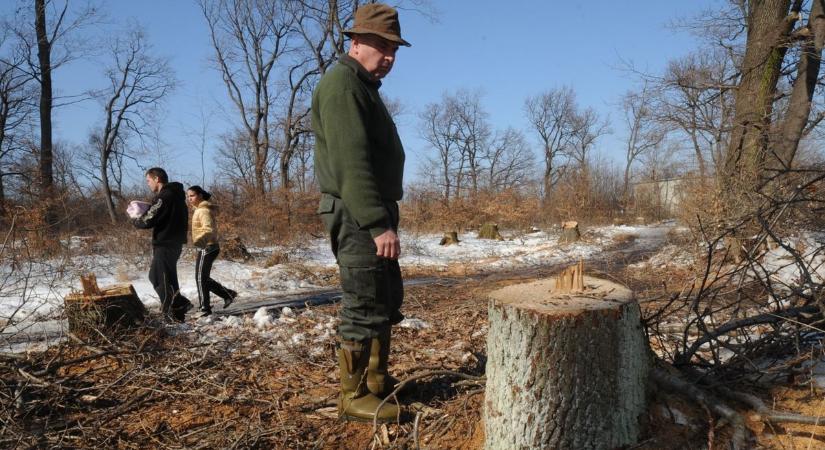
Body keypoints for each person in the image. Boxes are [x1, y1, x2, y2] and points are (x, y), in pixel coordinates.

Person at [311, 2, 411, 423]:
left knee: (384, 298)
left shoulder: (362, 86)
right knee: (363, 303)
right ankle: (351, 398)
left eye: (394, 49)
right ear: (355, 42)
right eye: (380, 45)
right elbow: (352, 163)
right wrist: (376, 223)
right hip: (357, 215)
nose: (388, 56)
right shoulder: (342, 86)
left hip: (370, 212)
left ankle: (374, 381)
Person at [131, 167, 192, 322]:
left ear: (157, 179)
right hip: (173, 243)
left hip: (165, 243)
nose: (148, 184)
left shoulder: (164, 197)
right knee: (166, 278)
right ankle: (179, 308)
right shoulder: (176, 196)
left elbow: (149, 219)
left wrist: (135, 218)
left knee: (160, 279)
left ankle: (171, 313)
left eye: (148, 181)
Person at [186, 185, 237, 317]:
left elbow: (208, 229)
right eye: (188, 196)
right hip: (209, 246)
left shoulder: (202, 211)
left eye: (192, 196)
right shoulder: (200, 209)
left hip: (207, 246)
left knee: (200, 278)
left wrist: (201, 243)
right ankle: (227, 294)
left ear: (200, 195)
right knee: (202, 278)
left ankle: (205, 308)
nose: (189, 198)